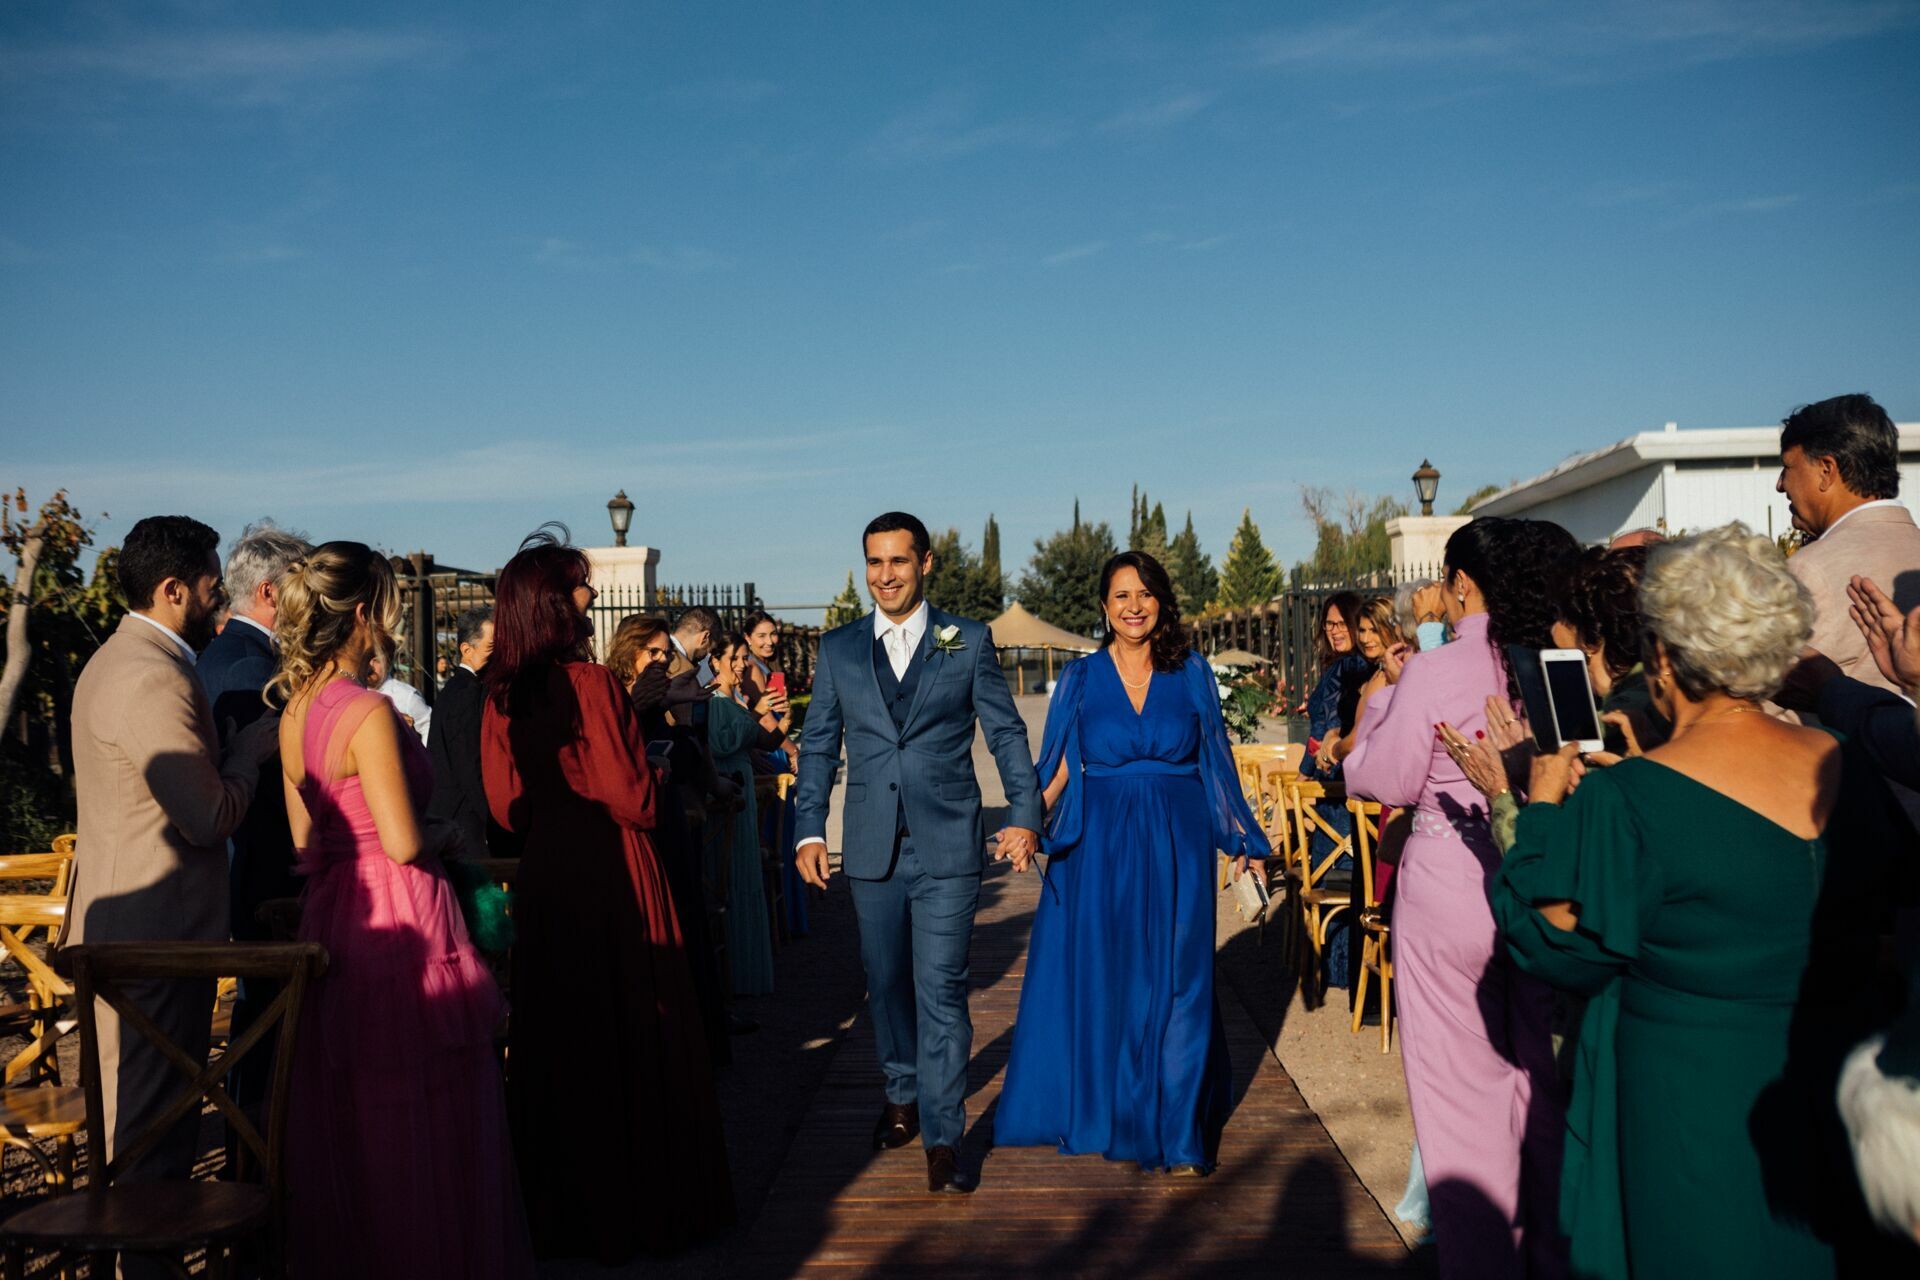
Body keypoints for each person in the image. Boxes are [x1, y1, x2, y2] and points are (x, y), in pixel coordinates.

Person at [1486, 524, 1909, 1277]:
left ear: (1662, 655)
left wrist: (1542, 807)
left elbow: (1553, 942)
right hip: (1843, 1089)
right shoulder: (1844, 762)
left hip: (1693, 1107)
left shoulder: (1628, 798)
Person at [272, 542, 531, 1279]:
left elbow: (304, 839)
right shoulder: (367, 711)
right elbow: (403, 839)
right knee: (430, 1101)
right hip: (403, 915)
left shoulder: (294, 712)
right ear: (363, 614)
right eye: (385, 611)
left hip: (337, 909)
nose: (388, 625)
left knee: (361, 1108)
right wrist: (444, 834)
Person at [480, 529, 730, 1259]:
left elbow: (505, 809)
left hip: (549, 869)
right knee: (632, 1020)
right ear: (555, 602)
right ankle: (641, 1205)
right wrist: (652, 775)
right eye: (578, 584)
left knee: (562, 1031)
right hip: (614, 865)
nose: (589, 593)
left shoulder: (501, 694)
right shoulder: (589, 684)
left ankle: (565, 1210)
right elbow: (633, 797)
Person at [1343, 516, 1579, 1279]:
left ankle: (1484, 1261)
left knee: (1458, 1098)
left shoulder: (1437, 670)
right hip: (1542, 882)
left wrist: (1382, 705)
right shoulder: (1558, 664)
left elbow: (1380, 777)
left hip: (1449, 889)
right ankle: (1550, 1253)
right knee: (1538, 1082)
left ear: (1463, 583)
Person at [793, 511, 1043, 1195]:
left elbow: (1005, 733)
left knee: (942, 988)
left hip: (948, 845)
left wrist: (1025, 814)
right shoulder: (839, 649)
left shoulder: (968, 640)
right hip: (870, 845)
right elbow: (818, 743)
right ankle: (900, 1090)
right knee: (885, 983)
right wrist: (809, 828)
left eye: (898, 561)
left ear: (925, 563)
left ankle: (943, 1135)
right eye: (874, 562)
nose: (885, 575)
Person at [996, 551, 1269, 1174]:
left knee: (1181, 978)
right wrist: (1026, 822)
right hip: (1100, 850)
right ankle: (1118, 1111)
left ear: (1162, 603)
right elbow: (1059, 768)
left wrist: (1244, 843)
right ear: (1104, 607)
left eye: (1145, 594)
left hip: (1179, 840)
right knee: (1115, 978)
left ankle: (1178, 1132)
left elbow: (1216, 763)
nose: (1134, 606)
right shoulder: (1080, 678)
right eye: (1121, 595)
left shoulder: (1192, 672)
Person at [65, 516, 280, 1239]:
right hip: (155, 941)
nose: (220, 599)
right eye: (212, 585)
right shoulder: (153, 675)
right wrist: (247, 756)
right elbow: (208, 817)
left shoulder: (115, 658)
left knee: (138, 1133)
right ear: (172, 589)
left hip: (132, 931)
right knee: (152, 1145)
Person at [194, 518, 312, 1116]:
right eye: (301, 587)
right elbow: (269, 790)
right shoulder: (250, 668)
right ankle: (255, 1151)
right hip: (263, 874)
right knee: (268, 1029)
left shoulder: (229, 655)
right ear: (270, 591)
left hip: (248, 870)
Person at [606, 613, 736, 1057]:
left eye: (666, 652)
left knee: (688, 920)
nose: (662, 660)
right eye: (653, 652)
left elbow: (683, 744)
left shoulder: (659, 692)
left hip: (672, 816)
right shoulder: (612, 692)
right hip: (640, 828)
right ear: (630, 651)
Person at [1777, 393, 1920, 699]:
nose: (1780, 485)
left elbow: (1769, 701)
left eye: (1788, 467)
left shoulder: (1810, 568)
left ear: (1826, 470)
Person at [703, 631, 783, 996]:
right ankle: (738, 974)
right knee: (734, 876)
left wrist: (783, 721)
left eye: (742, 657)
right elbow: (722, 744)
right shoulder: (714, 700)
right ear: (714, 661)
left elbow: (760, 739)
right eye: (733, 657)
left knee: (747, 873)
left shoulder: (733, 700)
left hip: (744, 786)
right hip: (730, 791)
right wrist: (758, 712)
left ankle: (750, 972)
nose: (740, 664)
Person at [1555, 544, 1670, 755]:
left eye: (1563, 618)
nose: (1555, 626)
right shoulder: (1666, 687)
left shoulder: (1616, 718)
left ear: (1590, 639)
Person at [426, 606, 513, 857]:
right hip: (467, 821)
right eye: (492, 646)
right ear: (467, 650)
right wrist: (495, 820)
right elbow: (470, 763)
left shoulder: (464, 688)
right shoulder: (466, 693)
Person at [367, 642, 432, 744]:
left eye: (377, 661)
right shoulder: (352, 692)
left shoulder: (407, 696)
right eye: (366, 659)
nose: (370, 666)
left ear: (388, 664)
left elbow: (428, 727)